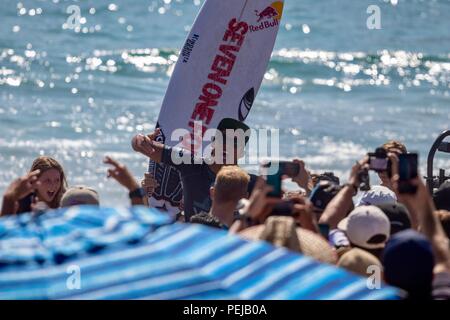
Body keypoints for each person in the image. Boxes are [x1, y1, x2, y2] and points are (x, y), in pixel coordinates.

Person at [132, 118, 254, 221]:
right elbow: (145, 147)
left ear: (241, 152)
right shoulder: (192, 163)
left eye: (235, 142)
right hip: (192, 240)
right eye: (223, 138)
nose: (227, 145)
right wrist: (140, 141)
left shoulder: (249, 184)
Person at [1, 156, 67, 216]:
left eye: (57, 180)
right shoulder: (21, 203)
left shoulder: (65, 201)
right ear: (35, 180)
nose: (53, 185)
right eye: (47, 180)